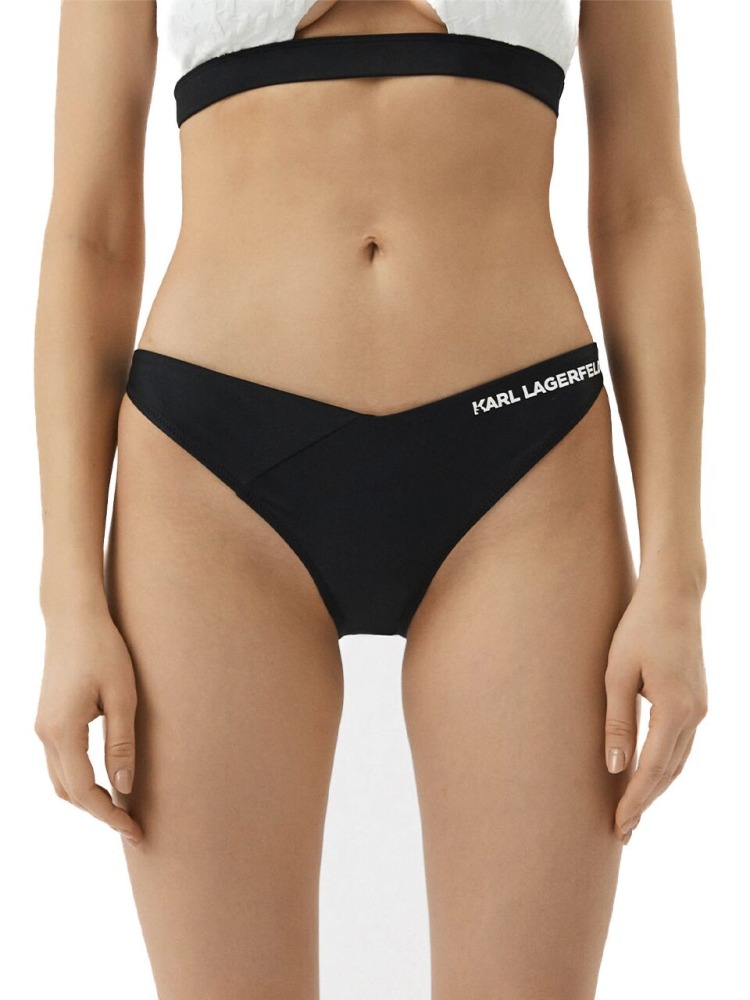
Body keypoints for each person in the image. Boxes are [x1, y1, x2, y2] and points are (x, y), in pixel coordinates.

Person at [33, 1, 708, 996]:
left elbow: (645, 209)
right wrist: (68, 597)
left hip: (522, 456)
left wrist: (677, 579)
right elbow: (89, 235)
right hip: (212, 479)